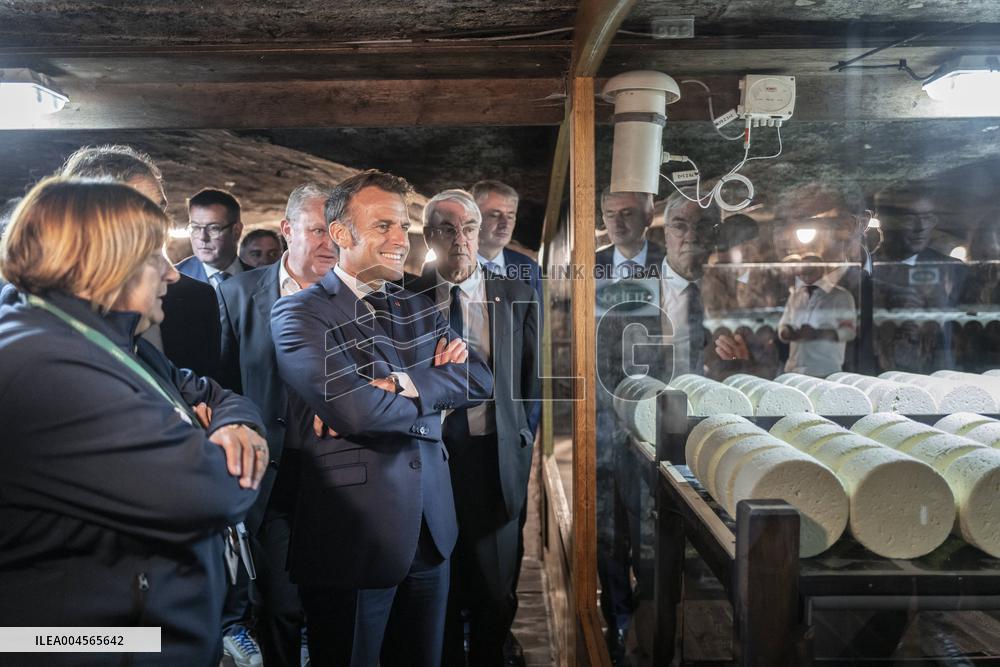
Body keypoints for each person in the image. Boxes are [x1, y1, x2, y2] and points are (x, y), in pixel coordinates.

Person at [0, 178, 267, 666]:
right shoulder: (46, 367)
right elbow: (212, 491)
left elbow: (215, 393)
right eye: (154, 258)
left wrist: (236, 427)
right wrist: (217, 441)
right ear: (107, 263)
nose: (171, 274)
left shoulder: (109, 339)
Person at [271, 170, 493, 667]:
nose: (401, 238)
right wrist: (431, 390)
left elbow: (480, 380)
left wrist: (400, 385)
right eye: (384, 226)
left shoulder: (416, 302)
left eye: (403, 224)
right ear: (342, 235)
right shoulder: (300, 314)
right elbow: (354, 407)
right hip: (355, 534)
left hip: (431, 526)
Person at [409, 190, 539, 667]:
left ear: (478, 232)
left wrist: (522, 440)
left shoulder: (517, 293)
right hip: (430, 459)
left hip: (493, 457)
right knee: (436, 582)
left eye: (467, 227)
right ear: (428, 236)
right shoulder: (407, 296)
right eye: (446, 228)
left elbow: (530, 381)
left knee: (494, 587)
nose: (459, 238)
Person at [218, 182, 338, 666]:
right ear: (288, 230)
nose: (329, 243)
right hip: (271, 476)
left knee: (333, 606)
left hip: (341, 476)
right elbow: (222, 384)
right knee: (279, 608)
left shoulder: (361, 294)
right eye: (316, 230)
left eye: (336, 230)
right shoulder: (237, 294)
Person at [58, 144, 222, 378]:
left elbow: (212, 392)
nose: (159, 224)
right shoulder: (41, 316)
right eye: (141, 212)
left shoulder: (196, 298)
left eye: (159, 211)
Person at [594, 189, 667, 665]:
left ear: (648, 215)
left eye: (628, 214)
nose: (618, 223)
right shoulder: (591, 264)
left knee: (651, 521)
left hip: (657, 412)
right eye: (610, 215)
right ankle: (616, 620)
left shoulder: (670, 264)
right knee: (606, 523)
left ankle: (651, 623)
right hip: (600, 412)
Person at [872, 181, 966, 373]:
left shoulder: (954, 270)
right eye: (909, 218)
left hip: (942, 380)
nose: (921, 227)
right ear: (884, 222)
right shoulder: (864, 272)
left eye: (928, 217)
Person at [777, 253, 857, 377]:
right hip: (793, 371)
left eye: (808, 267)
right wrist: (787, 332)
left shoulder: (840, 296)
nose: (802, 270)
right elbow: (783, 324)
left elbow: (849, 331)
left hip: (825, 371)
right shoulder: (795, 296)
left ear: (820, 268)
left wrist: (817, 334)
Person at [471, 180, 542, 301]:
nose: (505, 224)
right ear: (472, 217)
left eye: (510, 216)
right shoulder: (443, 268)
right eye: (495, 215)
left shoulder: (530, 269)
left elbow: (536, 319)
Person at [178, 188, 251, 286]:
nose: (203, 237)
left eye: (213, 228)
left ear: (236, 231)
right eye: (195, 227)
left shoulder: (263, 280)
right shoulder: (172, 279)